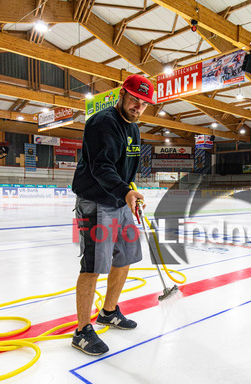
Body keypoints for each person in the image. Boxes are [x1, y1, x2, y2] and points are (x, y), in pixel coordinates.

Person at [71, 74, 155, 356]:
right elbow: (101, 167)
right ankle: (82, 331)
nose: (138, 107)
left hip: (120, 201)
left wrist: (130, 190)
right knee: (93, 265)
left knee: (126, 256)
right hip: (96, 202)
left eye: (144, 103)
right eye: (134, 99)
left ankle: (108, 312)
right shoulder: (102, 123)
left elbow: (125, 168)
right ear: (122, 94)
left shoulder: (133, 128)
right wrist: (125, 191)